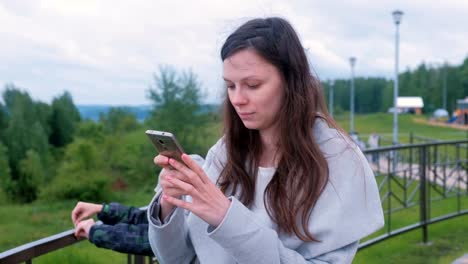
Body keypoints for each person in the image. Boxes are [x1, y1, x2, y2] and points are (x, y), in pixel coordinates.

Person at [148, 17, 384, 264]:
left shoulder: (337, 158)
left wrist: (226, 218)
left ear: (291, 82)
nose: (237, 99)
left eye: (252, 84)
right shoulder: (224, 153)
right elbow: (179, 259)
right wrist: (169, 205)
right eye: (230, 86)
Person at [71, 155, 205, 256]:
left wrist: (94, 231)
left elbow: (149, 239)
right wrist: (103, 209)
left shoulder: (198, 215)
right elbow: (148, 220)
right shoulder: (189, 204)